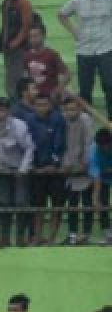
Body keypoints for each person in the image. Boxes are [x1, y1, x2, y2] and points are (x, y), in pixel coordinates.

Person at [0, 96, 37, 246]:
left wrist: (23, 169)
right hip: (2, 168)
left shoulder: (20, 127)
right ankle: (5, 237)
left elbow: (29, 148)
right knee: (4, 202)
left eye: (3, 110)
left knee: (21, 202)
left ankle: (20, 237)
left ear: (9, 111)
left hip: (20, 168)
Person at [58, 0, 112, 114]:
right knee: (85, 88)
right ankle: (86, 120)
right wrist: (74, 31)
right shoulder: (77, 0)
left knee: (109, 84)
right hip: (84, 50)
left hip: (105, 48)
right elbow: (62, 14)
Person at [23, 91, 68, 244]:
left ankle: (52, 238)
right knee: (38, 205)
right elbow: (28, 144)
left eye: (44, 105)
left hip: (55, 170)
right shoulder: (29, 120)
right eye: (38, 105)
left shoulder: (58, 119)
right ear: (33, 106)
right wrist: (34, 166)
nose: (41, 108)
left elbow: (60, 143)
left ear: (50, 105)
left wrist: (54, 164)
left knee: (57, 205)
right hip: (36, 169)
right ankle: (37, 236)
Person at [61, 95, 98, 244]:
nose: (70, 112)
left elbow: (88, 143)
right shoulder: (62, 120)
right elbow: (62, 144)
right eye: (67, 109)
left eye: (73, 109)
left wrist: (85, 163)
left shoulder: (85, 120)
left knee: (87, 201)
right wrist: (65, 164)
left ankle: (87, 234)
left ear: (79, 108)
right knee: (72, 203)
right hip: (69, 167)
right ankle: (72, 235)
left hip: (85, 167)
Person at [0, 0, 35, 100]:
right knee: (10, 81)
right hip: (9, 48)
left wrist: (16, 42)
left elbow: (26, 26)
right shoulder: (6, 2)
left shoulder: (23, 2)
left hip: (19, 49)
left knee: (15, 83)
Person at [24, 24, 71, 102]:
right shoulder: (27, 56)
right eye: (30, 37)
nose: (33, 39)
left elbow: (67, 74)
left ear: (43, 36)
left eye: (35, 36)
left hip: (50, 96)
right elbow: (25, 76)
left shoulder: (51, 54)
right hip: (35, 97)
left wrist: (58, 89)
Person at [87, 127, 112, 243]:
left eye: (106, 146)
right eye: (101, 147)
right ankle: (108, 234)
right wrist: (95, 198)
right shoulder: (93, 152)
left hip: (107, 173)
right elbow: (96, 178)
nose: (104, 149)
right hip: (103, 179)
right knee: (102, 202)